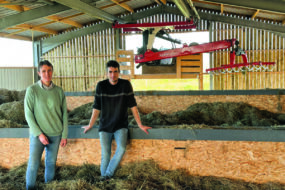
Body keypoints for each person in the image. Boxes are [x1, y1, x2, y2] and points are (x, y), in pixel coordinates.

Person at [82, 60, 151, 180]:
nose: (113, 75)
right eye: (110, 72)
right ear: (106, 73)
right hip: (104, 126)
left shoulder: (125, 85)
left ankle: (106, 176)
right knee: (105, 154)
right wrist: (90, 125)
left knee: (122, 148)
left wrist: (140, 124)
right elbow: (96, 107)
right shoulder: (101, 86)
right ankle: (105, 180)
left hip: (121, 125)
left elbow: (133, 106)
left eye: (115, 72)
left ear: (119, 72)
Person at [24, 60, 68, 190]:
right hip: (38, 136)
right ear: (39, 73)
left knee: (50, 163)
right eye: (43, 71)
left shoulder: (59, 91)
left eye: (49, 70)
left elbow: (64, 114)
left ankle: (49, 187)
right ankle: (30, 187)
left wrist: (64, 135)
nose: (47, 74)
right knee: (33, 164)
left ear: (52, 72)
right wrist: (39, 134)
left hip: (56, 133)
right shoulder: (32, 90)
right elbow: (28, 115)